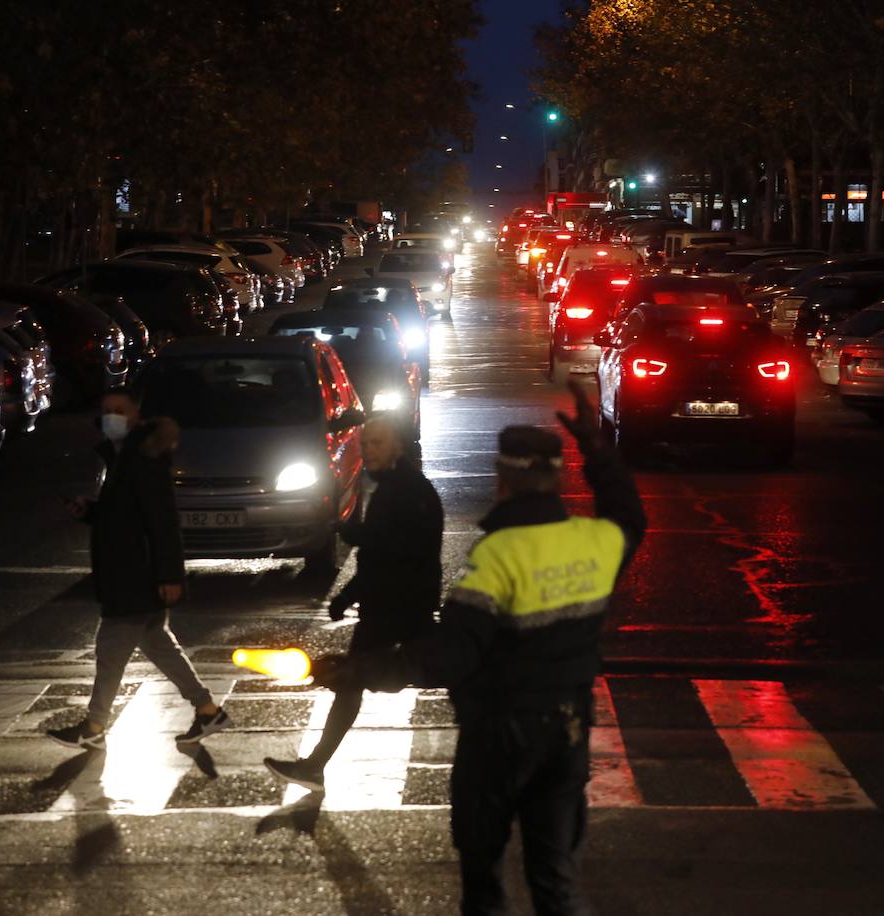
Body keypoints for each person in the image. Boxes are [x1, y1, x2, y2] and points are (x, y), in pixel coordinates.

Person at [313, 382, 646, 916]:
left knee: (484, 877)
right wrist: (599, 451)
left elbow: (449, 654)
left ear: (503, 481)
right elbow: (630, 516)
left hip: (500, 736)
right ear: (557, 477)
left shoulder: (499, 556)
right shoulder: (597, 544)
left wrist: (358, 670)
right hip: (569, 730)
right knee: (555, 878)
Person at [264, 416, 443, 790]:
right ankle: (314, 766)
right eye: (365, 444)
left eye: (377, 443)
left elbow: (397, 550)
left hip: (397, 607)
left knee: (366, 679)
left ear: (397, 445)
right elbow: (382, 552)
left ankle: (314, 766)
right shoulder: (394, 487)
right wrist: (349, 594)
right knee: (365, 680)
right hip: (391, 604)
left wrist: (356, 537)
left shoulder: (408, 491)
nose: (368, 450)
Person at [47, 390, 229, 750]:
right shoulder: (124, 457)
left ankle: (95, 725)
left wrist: (170, 575)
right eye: (105, 411)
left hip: (136, 574)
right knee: (160, 646)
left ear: (136, 415)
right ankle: (208, 710)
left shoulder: (143, 458)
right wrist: (91, 512)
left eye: (119, 410)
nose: (111, 416)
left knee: (110, 650)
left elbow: (162, 520)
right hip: (130, 571)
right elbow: (124, 516)